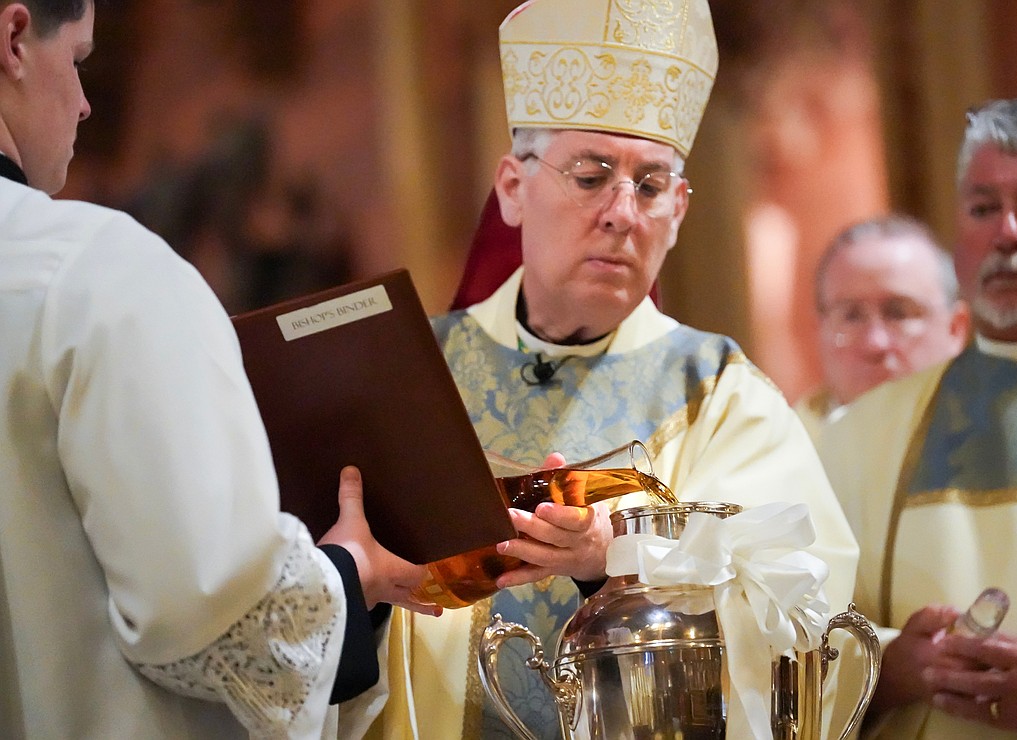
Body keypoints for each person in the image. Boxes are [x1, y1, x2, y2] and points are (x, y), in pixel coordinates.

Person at [367, 0, 860, 737]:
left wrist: (616, 562)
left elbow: (805, 627)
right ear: (511, 187)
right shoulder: (405, 375)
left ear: (681, 209)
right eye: (592, 176)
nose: (623, 212)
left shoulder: (723, 396)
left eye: (651, 185)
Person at [0, 1, 434, 737]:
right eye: (76, 60)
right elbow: (208, 603)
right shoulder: (96, 272)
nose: (83, 103)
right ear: (13, 38)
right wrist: (344, 572)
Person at [818, 96, 1017, 738]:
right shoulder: (870, 430)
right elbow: (787, 634)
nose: (1006, 233)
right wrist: (891, 663)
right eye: (982, 209)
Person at [793, 216, 970, 439]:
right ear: (820, 332)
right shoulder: (775, 462)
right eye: (851, 316)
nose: (875, 343)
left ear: (955, 329)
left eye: (899, 313)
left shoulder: (1006, 448)